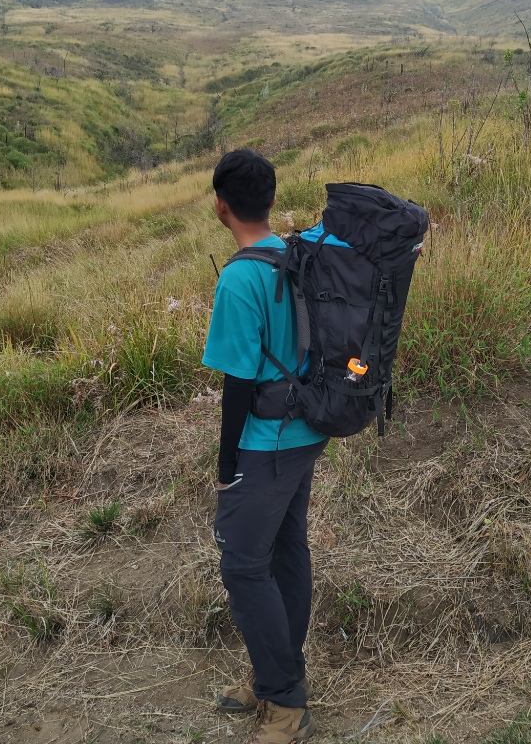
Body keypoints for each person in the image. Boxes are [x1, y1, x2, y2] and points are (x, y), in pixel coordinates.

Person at [202, 149, 326, 744]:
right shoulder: (298, 257)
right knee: (285, 550)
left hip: (263, 444)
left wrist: (226, 468)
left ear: (220, 206)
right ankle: (277, 672)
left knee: (244, 564)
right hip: (306, 431)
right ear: (273, 201)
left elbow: (237, 383)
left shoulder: (238, 277)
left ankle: (284, 700)